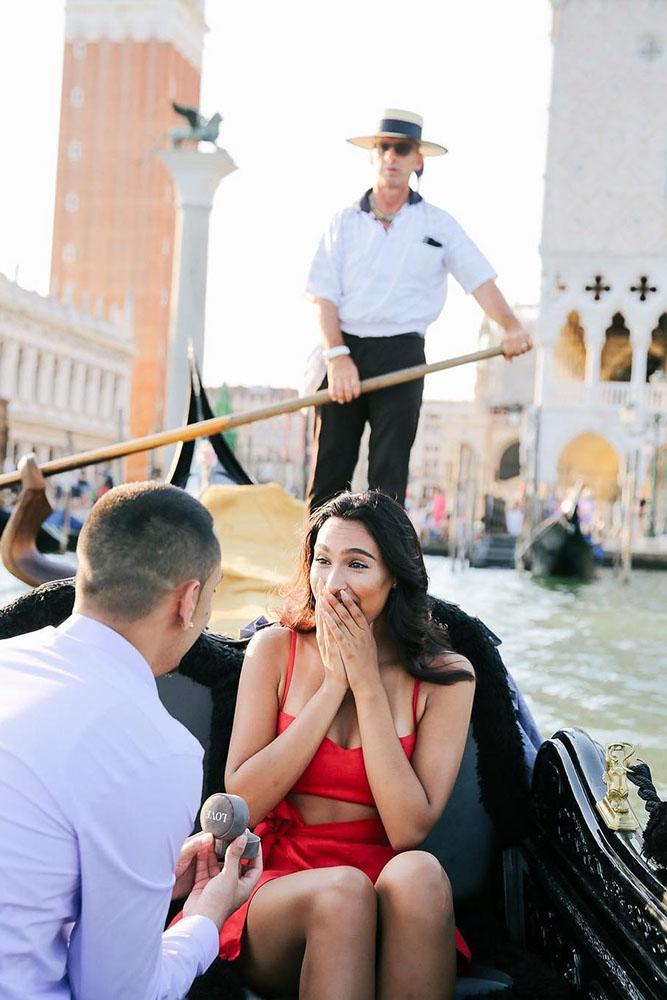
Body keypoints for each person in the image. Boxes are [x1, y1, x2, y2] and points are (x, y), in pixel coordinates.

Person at [0, 482, 263, 1000]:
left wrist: (157, 882)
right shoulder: (159, 751)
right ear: (189, 602)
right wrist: (205, 918)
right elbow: (117, 993)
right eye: (211, 597)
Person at [220, 489, 476, 1000]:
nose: (332, 584)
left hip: (388, 889)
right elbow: (243, 803)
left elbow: (407, 830)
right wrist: (333, 685)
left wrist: (366, 683)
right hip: (278, 886)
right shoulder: (274, 650)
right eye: (322, 561)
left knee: (421, 873)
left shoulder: (449, 678)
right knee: (342, 894)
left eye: (357, 565)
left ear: (395, 578)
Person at [305, 108, 533, 512]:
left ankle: (383, 571)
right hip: (344, 351)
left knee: (389, 476)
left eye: (402, 148)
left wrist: (511, 327)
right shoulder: (343, 222)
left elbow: (480, 280)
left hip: (403, 353)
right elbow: (323, 296)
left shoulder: (439, 225)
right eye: (384, 148)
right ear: (374, 156)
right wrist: (338, 357)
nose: (392, 156)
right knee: (329, 473)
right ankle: (312, 569)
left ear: (417, 160)